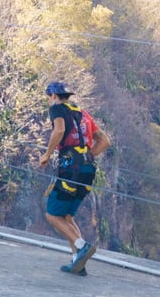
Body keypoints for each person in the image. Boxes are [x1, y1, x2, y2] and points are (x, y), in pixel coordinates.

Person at [38, 81, 109, 275]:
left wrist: (47, 154)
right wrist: (87, 156)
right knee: (67, 216)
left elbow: (59, 131)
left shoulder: (57, 110)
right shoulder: (82, 114)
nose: (48, 100)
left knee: (52, 215)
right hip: (88, 169)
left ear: (53, 96)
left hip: (70, 169)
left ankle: (81, 246)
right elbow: (104, 141)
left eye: (48, 97)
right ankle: (78, 262)